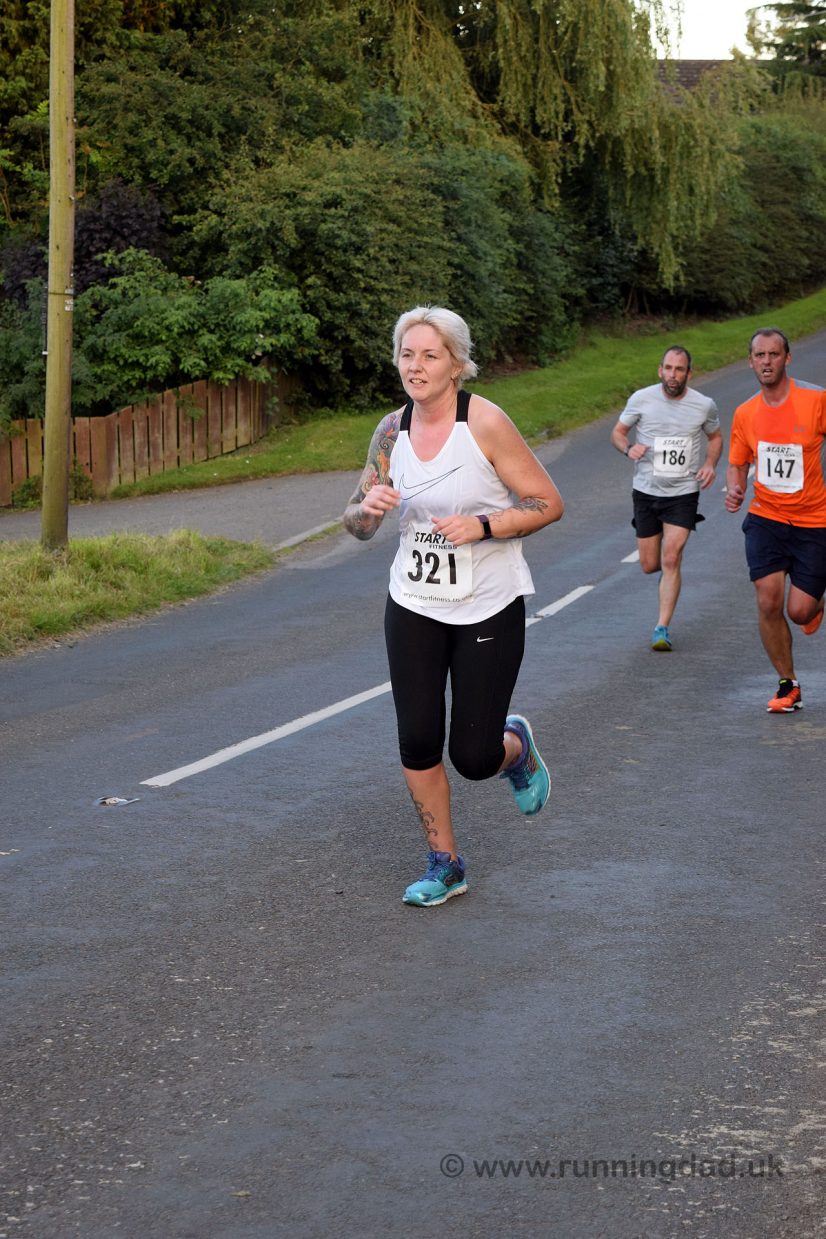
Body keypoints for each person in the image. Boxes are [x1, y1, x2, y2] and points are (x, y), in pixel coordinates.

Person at [343, 305, 564, 907]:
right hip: (413, 601)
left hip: (488, 605)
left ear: (457, 364)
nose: (415, 367)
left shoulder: (485, 424)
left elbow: (547, 503)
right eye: (407, 355)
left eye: (429, 355)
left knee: (472, 756)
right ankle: (445, 863)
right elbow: (354, 522)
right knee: (416, 738)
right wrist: (368, 511)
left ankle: (513, 749)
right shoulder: (392, 432)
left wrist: (485, 525)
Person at [725, 328, 826, 713]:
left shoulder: (815, 401)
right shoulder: (746, 413)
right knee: (769, 600)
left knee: (799, 610)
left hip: (815, 520)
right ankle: (789, 685)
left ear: (788, 358)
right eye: (759, 356)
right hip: (766, 517)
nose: (766, 362)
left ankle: (816, 604)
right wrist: (735, 489)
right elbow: (738, 463)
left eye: (773, 354)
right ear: (750, 361)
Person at [610, 346, 723, 651]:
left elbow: (715, 437)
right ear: (660, 370)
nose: (674, 375)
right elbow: (618, 433)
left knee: (671, 556)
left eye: (680, 369)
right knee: (650, 564)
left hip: (683, 493)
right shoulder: (641, 399)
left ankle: (662, 628)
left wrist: (710, 464)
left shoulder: (703, 405)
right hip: (646, 490)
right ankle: (666, 571)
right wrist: (627, 448)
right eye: (669, 368)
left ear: (689, 373)